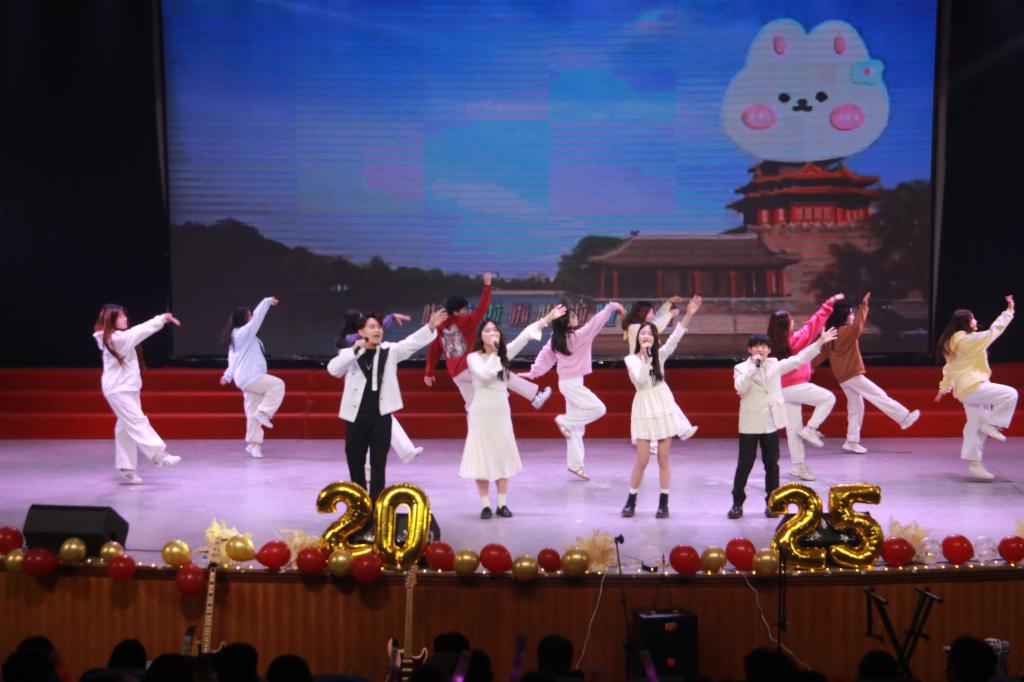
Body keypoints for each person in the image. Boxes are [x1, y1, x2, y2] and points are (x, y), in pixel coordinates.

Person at [328, 308, 447, 503]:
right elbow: (333, 369)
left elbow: (411, 343)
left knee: (378, 464)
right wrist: (356, 350)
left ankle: (376, 506)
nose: (377, 330)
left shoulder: (390, 351)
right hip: (355, 416)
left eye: (379, 327)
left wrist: (430, 327)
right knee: (355, 463)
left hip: (381, 417)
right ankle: (359, 506)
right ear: (361, 332)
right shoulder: (350, 352)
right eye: (372, 327)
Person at [460, 306, 566, 519]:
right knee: (482, 456)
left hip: (500, 411)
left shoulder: (503, 355)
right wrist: (495, 354)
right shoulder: (473, 357)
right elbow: (484, 376)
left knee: (502, 455)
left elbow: (524, 337)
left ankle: (502, 504)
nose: (493, 333)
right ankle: (485, 505)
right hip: (481, 412)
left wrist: (545, 319)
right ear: (481, 336)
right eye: (488, 331)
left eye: (495, 330)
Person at [729, 327, 838, 519]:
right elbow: (741, 387)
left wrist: (819, 343)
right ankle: (737, 503)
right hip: (750, 423)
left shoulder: (775, 365)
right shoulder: (741, 368)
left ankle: (773, 503)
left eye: (764, 346)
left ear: (769, 350)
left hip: (771, 422)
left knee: (772, 465)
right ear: (749, 350)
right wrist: (754, 367)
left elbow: (798, 360)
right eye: (756, 346)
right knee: (745, 464)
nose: (760, 349)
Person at [522, 301, 626, 480]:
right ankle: (564, 420)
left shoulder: (556, 339)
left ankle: (575, 465)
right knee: (598, 409)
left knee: (576, 428)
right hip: (573, 384)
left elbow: (544, 356)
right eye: (572, 315)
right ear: (566, 322)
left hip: (567, 383)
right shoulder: (578, 336)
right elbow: (596, 322)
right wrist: (611, 307)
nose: (576, 316)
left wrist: (534, 373)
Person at [621, 296, 702, 519]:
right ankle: (631, 500)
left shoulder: (661, 355)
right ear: (638, 337)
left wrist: (689, 313)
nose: (645, 336)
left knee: (663, 458)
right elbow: (640, 381)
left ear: (655, 338)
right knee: (642, 459)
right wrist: (647, 359)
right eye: (643, 333)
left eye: (649, 334)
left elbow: (676, 336)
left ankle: (663, 503)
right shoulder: (631, 359)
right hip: (643, 407)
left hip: (663, 405)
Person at [424, 273, 551, 412]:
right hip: (470, 367)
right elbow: (483, 307)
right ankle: (535, 396)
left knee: (473, 406)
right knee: (502, 374)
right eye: (464, 309)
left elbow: (433, 350)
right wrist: (487, 286)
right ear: (455, 312)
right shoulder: (465, 321)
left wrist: (429, 372)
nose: (466, 311)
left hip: (456, 374)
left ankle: (479, 423)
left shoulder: (440, 328)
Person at [814, 292, 920, 453]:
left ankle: (851, 441)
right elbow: (858, 327)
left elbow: (820, 355)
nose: (852, 316)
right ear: (843, 316)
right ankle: (904, 417)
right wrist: (864, 305)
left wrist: (808, 367)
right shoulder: (845, 331)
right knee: (878, 395)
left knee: (856, 407)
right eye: (850, 313)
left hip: (843, 378)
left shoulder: (831, 333)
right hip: (852, 375)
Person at [93, 304, 182, 484]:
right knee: (137, 421)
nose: (125, 319)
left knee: (125, 427)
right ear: (111, 320)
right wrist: (160, 319)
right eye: (120, 316)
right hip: (118, 389)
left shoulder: (117, 337)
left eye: (125, 315)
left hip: (127, 387)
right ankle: (158, 456)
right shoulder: (115, 339)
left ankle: (126, 468)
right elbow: (140, 331)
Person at [935, 295, 1016, 480]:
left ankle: (975, 465)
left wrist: (944, 388)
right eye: (972, 318)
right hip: (973, 387)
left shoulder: (951, 342)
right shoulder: (967, 341)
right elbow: (993, 332)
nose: (975, 321)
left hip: (966, 389)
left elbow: (949, 368)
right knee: (1010, 394)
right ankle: (993, 423)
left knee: (974, 426)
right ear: (965, 323)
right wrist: (1009, 311)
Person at [766, 294, 843, 481]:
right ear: (786, 326)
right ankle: (811, 428)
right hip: (794, 387)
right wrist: (828, 305)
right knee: (828, 398)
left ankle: (798, 466)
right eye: (791, 321)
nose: (794, 323)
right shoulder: (794, 341)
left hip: (781, 390)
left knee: (793, 430)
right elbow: (812, 326)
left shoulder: (770, 344)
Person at [337, 309, 423, 465]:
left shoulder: (347, 338)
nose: (376, 330)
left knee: (383, 421)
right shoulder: (350, 340)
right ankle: (401, 453)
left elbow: (378, 329)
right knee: (368, 431)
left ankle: (405, 451)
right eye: (366, 323)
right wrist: (390, 318)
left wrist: (392, 317)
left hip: (373, 385)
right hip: (361, 387)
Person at [219, 297, 285, 459]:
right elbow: (257, 319)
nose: (251, 317)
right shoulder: (244, 333)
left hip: (246, 377)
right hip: (250, 377)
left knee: (252, 411)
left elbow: (233, 359)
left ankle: (253, 445)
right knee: (277, 385)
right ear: (243, 319)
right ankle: (265, 412)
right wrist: (266, 302)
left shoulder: (237, 336)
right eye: (249, 315)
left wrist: (227, 375)